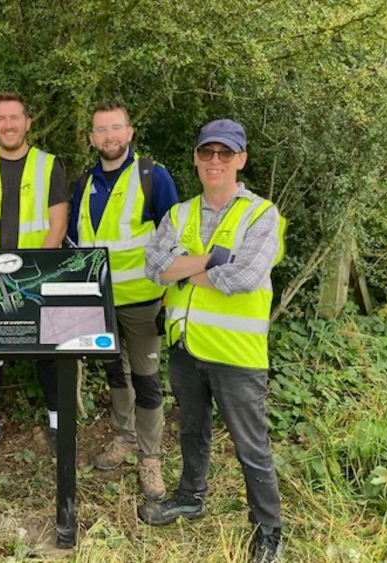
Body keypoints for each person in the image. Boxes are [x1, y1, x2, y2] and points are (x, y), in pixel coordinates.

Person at [141, 119, 285, 562]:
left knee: (251, 444)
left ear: (241, 159)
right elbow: (153, 267)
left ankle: (268, 531)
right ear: (197, 159)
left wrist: (184, 270)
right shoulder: (180, 213)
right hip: (185, 347)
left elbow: (244, 276)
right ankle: (190, 496)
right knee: (192, 430)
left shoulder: (262, 214)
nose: (215, 161)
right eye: (208, 153)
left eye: (226, 153)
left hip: (235, 354)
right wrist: (212, 263)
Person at [66, 100, 179, 500]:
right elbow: (76, 243)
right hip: (101, 302)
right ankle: (124, 437)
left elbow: (175, 239)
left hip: (144, 301)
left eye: (116, 128)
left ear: (129, 132)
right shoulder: (83, 182)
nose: (110, 136)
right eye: (101, 129)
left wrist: (171, 295)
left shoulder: (153, 176)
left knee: (147, 381)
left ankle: (151, 458)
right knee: (117, 375)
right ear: (92, 137)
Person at [0, 91, 69, 461]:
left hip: (38, 277)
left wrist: (33, 279)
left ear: (27, 122)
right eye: (1, 119)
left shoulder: (50, 166)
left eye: (15, 117)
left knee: (47, 349)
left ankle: (57, 422)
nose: (8, 125)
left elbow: (57, 226)